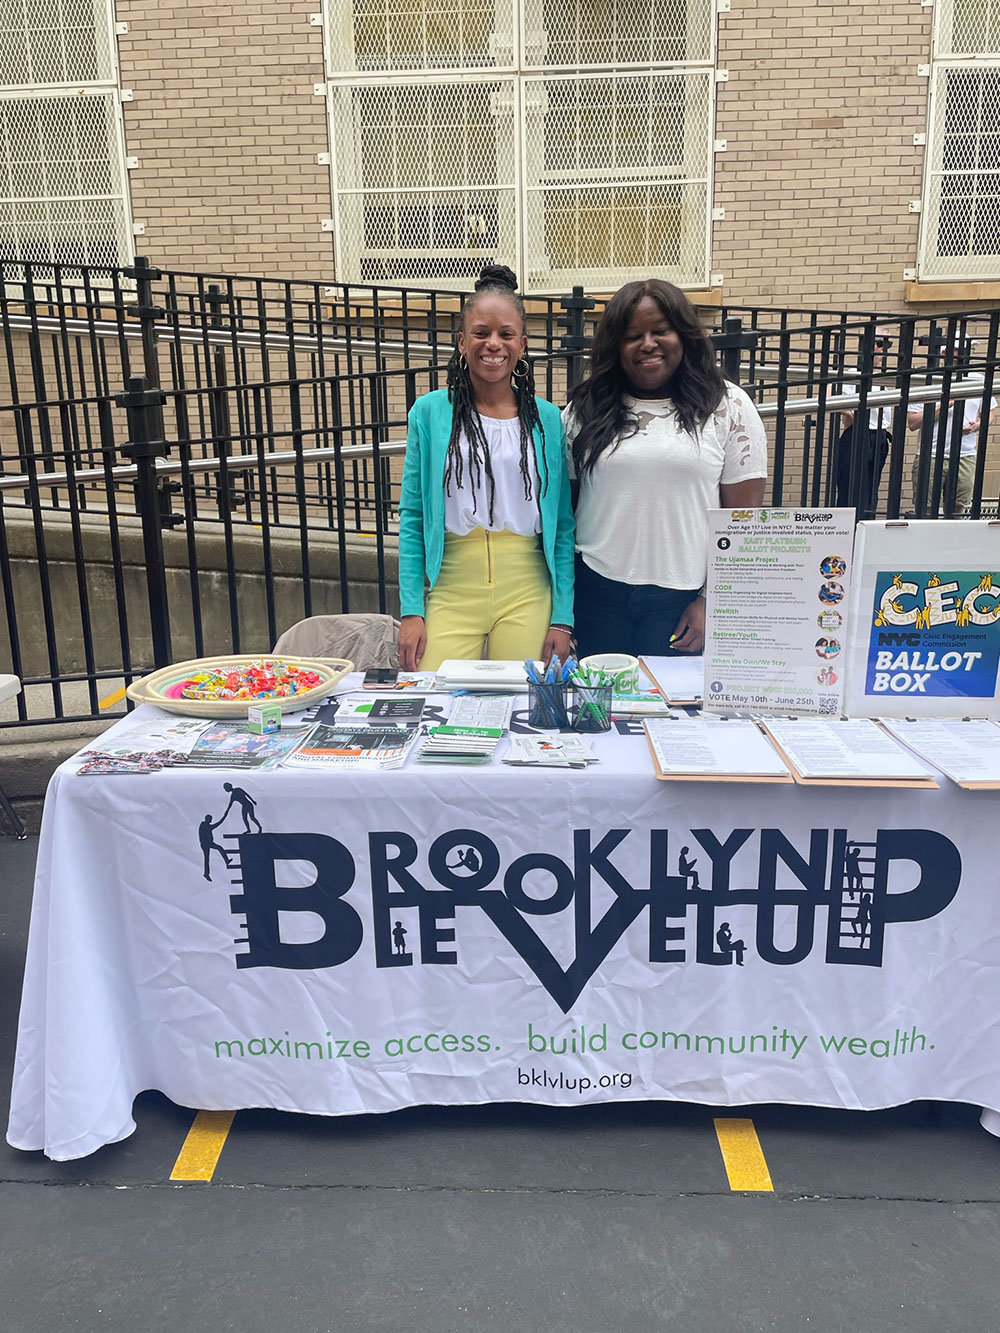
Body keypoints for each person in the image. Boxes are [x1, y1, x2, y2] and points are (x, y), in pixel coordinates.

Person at [563, 279, 767, 658]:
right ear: (614, 345)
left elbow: (744, 524)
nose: (648, 344)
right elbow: (567, 512)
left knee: (674, 713)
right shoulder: (584, 410)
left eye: (661, 331)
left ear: (684, 335)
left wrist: (711, 601)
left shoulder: (728, 407)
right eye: (632, 335)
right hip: (595, 594)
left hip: (683, 602)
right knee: (598, 713)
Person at [397, 265, 575, 672]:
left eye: (505, 334)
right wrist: (412, 610)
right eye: (481, 333)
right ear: (462, 341)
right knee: (433, 697)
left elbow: (562, 526)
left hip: (528, 585)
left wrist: (562, 616)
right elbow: (412, 516)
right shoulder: (429, 413)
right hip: (453, 584)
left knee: (526, 704)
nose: (493, 344)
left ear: (522, 344)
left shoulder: (546, 418)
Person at [907, 340, 997, 516]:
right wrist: (944, 406)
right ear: (944, 353)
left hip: (965, 454)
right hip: (930, 454)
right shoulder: (929, 380)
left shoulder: (977, 380)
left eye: (967, 349)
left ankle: (952, 542)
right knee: (925, 509)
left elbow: (990, 413)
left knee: (958, 509)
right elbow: (912, 423)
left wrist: (977, 426)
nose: (965, 353)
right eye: (959, 349)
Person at [835, 327, 894, 517]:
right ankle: (847, 533)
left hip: (879, 435)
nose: (882, 350)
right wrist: (853, 417)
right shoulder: (853, 374)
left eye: (887, 344)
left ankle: (864, 530)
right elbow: (830, 396)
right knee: (851, 490)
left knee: (870, 491)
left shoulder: (884, 376)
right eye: (879, 344)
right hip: (858, 434)